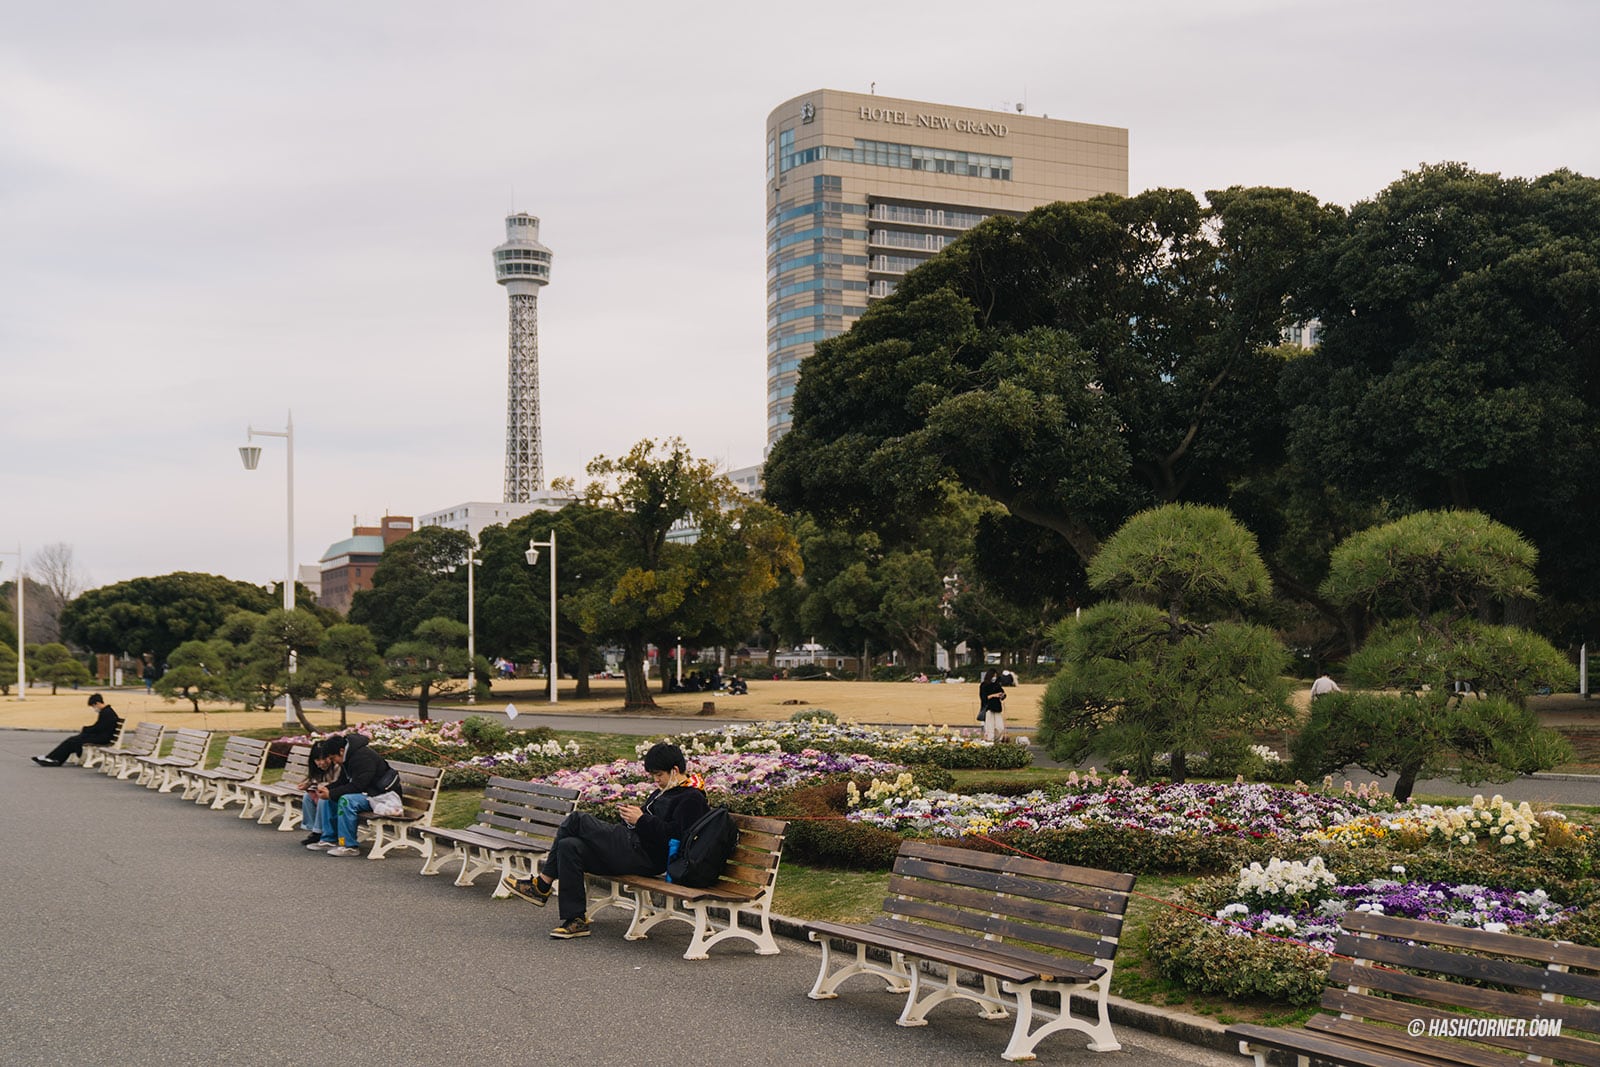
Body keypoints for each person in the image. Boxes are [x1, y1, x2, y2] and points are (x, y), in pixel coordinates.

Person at [505, 742, 708, 939]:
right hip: (632, 845)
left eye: (659, 775)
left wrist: (641, 820)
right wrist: (631, 819)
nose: (657, 780)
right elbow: (648, 822)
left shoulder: (692, 798)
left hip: (647, 856)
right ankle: (575, 919)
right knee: (569, 846)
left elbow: (677, 837)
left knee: (576, 819)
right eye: (653, 776)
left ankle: (542, 884)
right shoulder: (662, 792)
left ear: (674, 770)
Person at [304, 732, 401, 857]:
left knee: (346, 800)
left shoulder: (363, 757)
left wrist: (331, 793)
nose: (335, 762)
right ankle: (329, 839)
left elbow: (358, 785)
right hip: (368, 794)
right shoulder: (348, 757)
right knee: (328, 799)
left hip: (381, 797)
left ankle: (349, 845)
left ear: (341, 750)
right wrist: (327, 789)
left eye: (333, 758)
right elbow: (343, 782)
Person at [32, 693, 121, 767]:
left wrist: (85, 729)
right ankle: (52, 758)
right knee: (72, 740)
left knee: (72, 740)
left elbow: (98, 728)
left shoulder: (107, 713)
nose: (94, 708)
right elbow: (99, 727)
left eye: (93, 706)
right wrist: (87, 730)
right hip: (101, 736)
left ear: (97, 703)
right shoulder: (106, 711)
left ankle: (54, 759)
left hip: (103, 738)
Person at [298, 738, 341, 847]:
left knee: (323, 799)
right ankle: (313, 829)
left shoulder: (337, 767)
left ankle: (319, 832)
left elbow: (336, 785)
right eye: (317, 759)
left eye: (324, 758)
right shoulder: (317, 770)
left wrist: (321, 787)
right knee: (307, 797)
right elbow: (316, 781)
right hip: (325, 795)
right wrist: (308, 785)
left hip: (336, 797)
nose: (321, 763)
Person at [978, 668, 1007, 742]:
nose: (994, 678)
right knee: (990, 728)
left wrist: (1002, 695)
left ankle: (997, 741)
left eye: (996, 676)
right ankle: (990, 742)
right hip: (988, 708)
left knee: (1000, 727)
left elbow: (1003, 694)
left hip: (997, 708)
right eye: (993, 676)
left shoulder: (997, 685)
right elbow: (984, 698)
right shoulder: (983, 685)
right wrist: (994, 695)